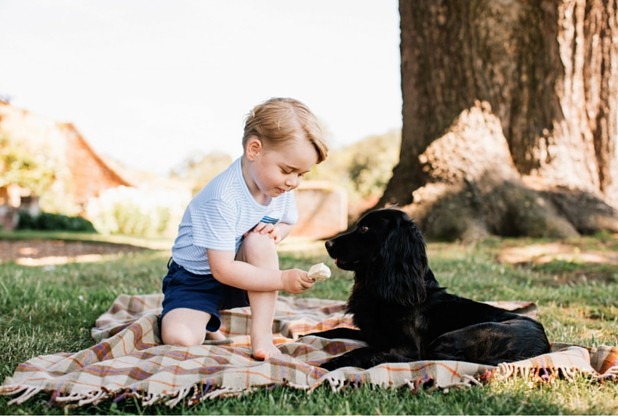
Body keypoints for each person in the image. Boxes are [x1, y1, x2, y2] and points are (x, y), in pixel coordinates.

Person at [160, 97, 328, 360]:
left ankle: (261, 338)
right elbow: (222, 269)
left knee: (260, 242)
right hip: (196, 278)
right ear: (254, 149)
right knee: (180, 339)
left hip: (243, 271)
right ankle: (202, 318)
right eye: (288, 170)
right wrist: (283, 279)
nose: (293, 182)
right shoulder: (222, 197)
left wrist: (277, 233)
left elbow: (286, 222)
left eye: (301, 174)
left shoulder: (278, 186)